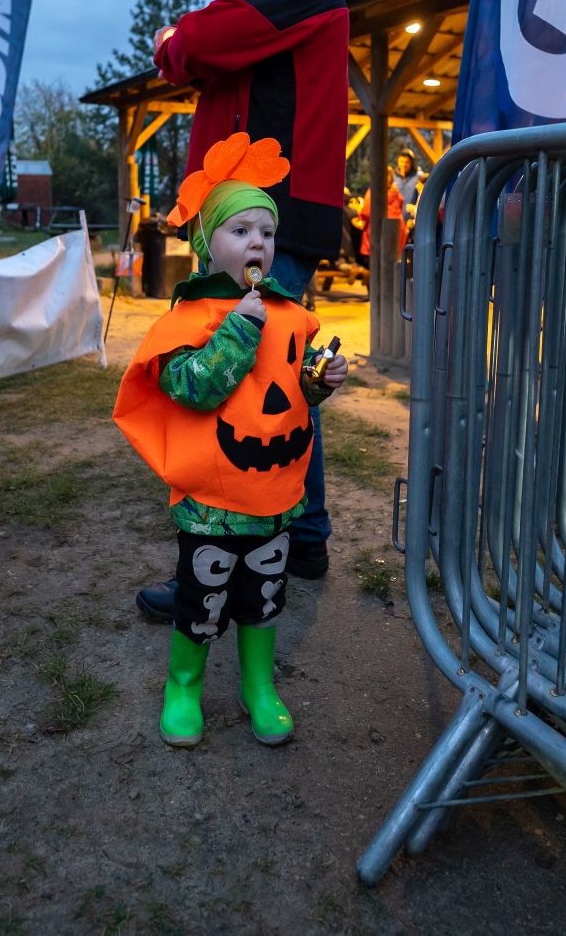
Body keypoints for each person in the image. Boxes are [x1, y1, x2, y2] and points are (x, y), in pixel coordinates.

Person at [138, 0, 348, 621]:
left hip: (264, 215)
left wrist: (173, 39)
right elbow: (205, 48)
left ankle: (228, 556)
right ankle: (301, 538)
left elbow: (196, 40)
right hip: (256, 210)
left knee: (252, 382)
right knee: (275, 376)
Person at [112, 135, 349, 747]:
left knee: (266, 596)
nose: (257, 244)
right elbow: (193, 389)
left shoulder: (290, 314)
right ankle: (184, 687)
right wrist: (238, 333)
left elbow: (289, 395)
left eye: (266, 233)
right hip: (211, 505)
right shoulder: (186, 323)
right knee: (201, 599)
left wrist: (318, 382)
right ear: (204, 244)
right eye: (240, 230)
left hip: (274, 496)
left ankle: (258, 686)